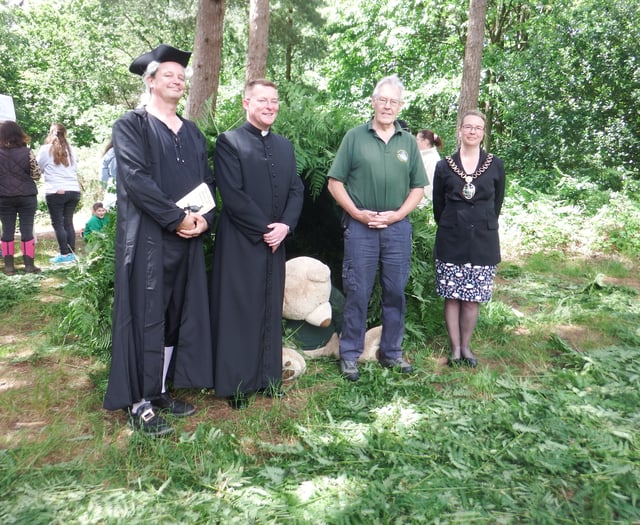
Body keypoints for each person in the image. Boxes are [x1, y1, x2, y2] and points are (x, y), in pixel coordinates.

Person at [103, 44, 215, 436]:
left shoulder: (192, 132)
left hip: (187, 240)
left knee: (174, 316)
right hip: (149, 240)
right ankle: (139, 402)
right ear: (150, 81)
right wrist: (177, 219)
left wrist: (204, 221)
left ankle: (161, 389)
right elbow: (136, 181)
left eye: (181, 76)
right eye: (168, 75)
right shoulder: (131, 125)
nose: (177, 80)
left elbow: (207, 183)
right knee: (145, 315)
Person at [209, 79, 304, 409]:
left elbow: (296, 189)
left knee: (268, 309)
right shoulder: (229, 142)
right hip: (241, 242)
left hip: (275, 243)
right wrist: (267, 229)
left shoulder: (285, 146)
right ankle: (237, 385)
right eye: (262, 100)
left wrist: (285, 227)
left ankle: (268, 379)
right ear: (246, 103)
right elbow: (232, 196)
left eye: (274, 101)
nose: (269, 106)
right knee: (239, 312)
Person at [327, 75, 427, 382]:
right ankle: (349, 355)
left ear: (400, 106)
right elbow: (334, 183)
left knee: (396, 292)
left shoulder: (408, 142)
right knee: (358, 291)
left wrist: (396, 216)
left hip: (397, 230)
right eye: (382, 100)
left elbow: (418, 188)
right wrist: (357, 213)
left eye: (393, 101)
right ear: (373, 102)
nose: (387, 106)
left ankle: (391, 353)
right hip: (360, 229)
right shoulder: (355, 137)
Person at [432, 109, 505, 368]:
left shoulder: (495, 164)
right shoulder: (444, 166)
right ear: (460, 130)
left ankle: (466, 347)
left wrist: (481, 224)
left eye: (478, 128)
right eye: (468, 127)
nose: (473, 131)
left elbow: (497, 203)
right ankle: (454, 349)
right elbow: (438, 206)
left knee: (472, 298)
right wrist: (455, 224)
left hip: (483, 241)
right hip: (451, 238)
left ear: (483, 133)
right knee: (452, 296)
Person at [0, 121, 42, 274]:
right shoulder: (27, 152)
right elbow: (37, 175)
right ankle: (29, 266)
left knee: (7, 231)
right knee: (27, 230)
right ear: (19, 134)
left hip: (4, 197)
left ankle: (9, 267)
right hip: (27, 195)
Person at [37, 123, 82, 263]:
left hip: (56, 190)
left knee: (58, 223)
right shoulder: (72, 150)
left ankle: (64, 254)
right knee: (68, 222)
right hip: (73, 189)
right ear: (65, 134)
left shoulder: (45, 150)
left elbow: (38, 168)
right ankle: (71, 254)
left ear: (51, 133)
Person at [416, 129, 443, 207]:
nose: (416, 141)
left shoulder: (432, 159)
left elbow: (429, 184)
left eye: (417, 139)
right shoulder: (423, 156)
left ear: (425, 141)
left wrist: (422, 203)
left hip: (424, 204)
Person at [100, 140, 117, 209]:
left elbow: (103, 170)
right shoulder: (131, 149)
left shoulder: (111, 152)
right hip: (128, 182)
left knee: (109, 208)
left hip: (112, 182)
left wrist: (104, 185)